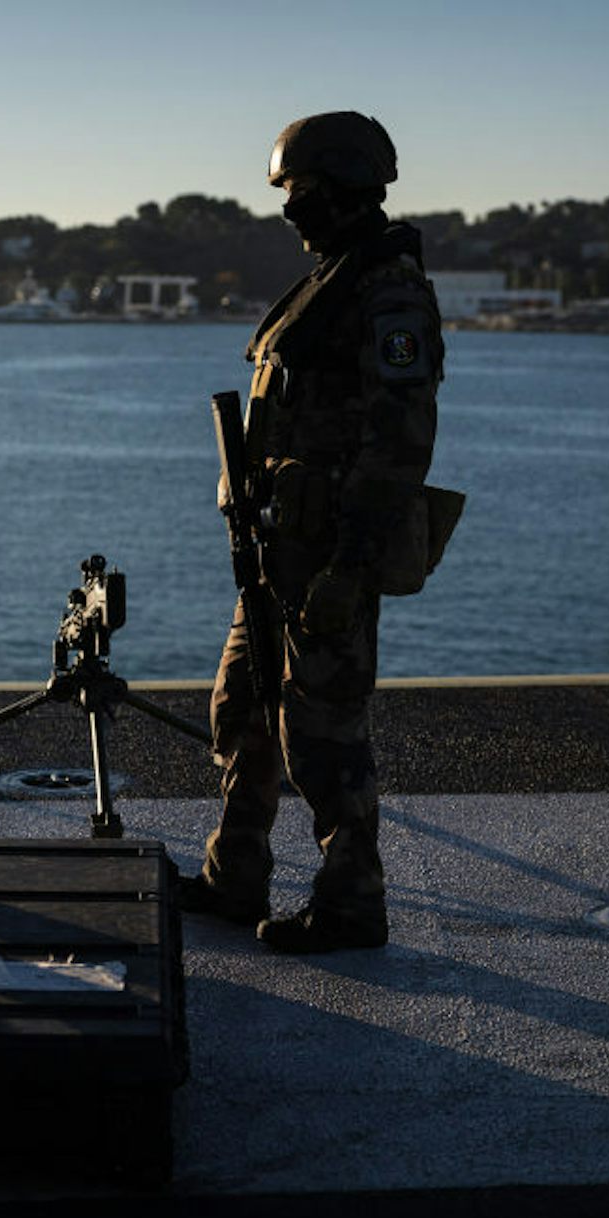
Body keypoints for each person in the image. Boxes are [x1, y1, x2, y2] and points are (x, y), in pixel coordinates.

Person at [181, 111, 446, 953]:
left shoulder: (387, 289)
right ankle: (235, 876)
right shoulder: (330, 279)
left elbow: (400, 441)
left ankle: (351, 901)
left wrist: (349, 565)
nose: (289, 209)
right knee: (241, 709)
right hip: (277, 550)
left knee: (324, 736)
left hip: (330, 553)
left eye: (298, 190)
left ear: (341, 188)